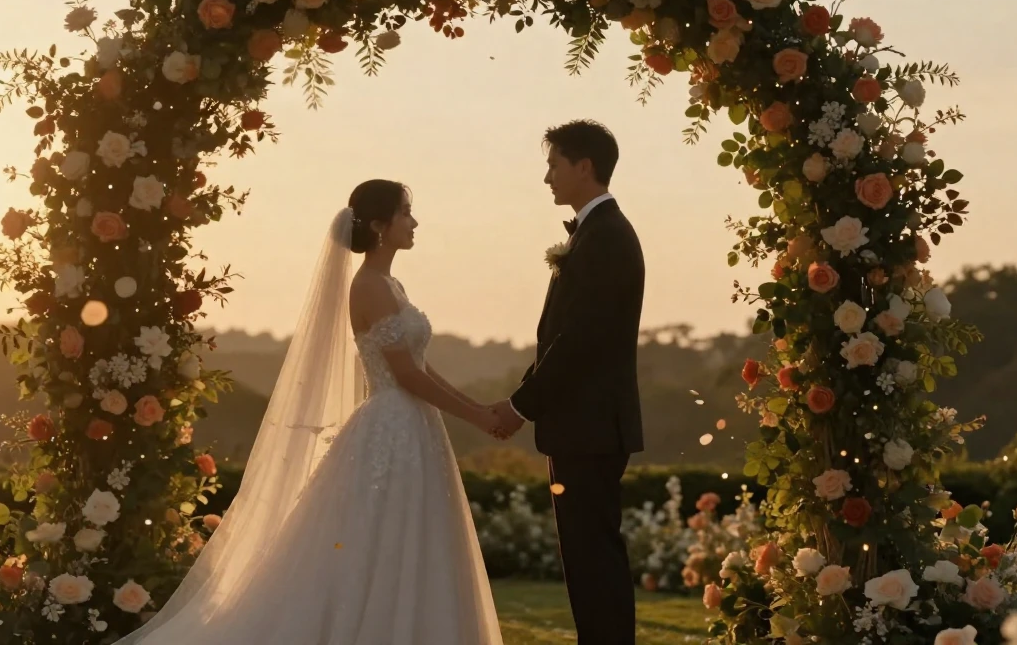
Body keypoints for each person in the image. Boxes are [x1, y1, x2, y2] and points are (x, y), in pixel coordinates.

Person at [114, 180, 504, 645]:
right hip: (393, 424)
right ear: (381, 226)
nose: (414, 222)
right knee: (377, 540)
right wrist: (476, 417)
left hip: (413, 425)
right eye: (406, 213)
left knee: (411, 538)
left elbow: (420, 366)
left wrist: (477, 407)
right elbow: (405, 375)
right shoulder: (371, 287)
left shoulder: (393, 285)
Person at [491, 119, 646, 645]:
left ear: (584, 166)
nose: (547, 177)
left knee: (592, 558)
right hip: (585, 426)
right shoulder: (597, 233)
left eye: (554, 165)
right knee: (587, 559)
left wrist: (520, 404)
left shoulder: (605, 237)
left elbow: (579, 342)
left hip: (590, 427)